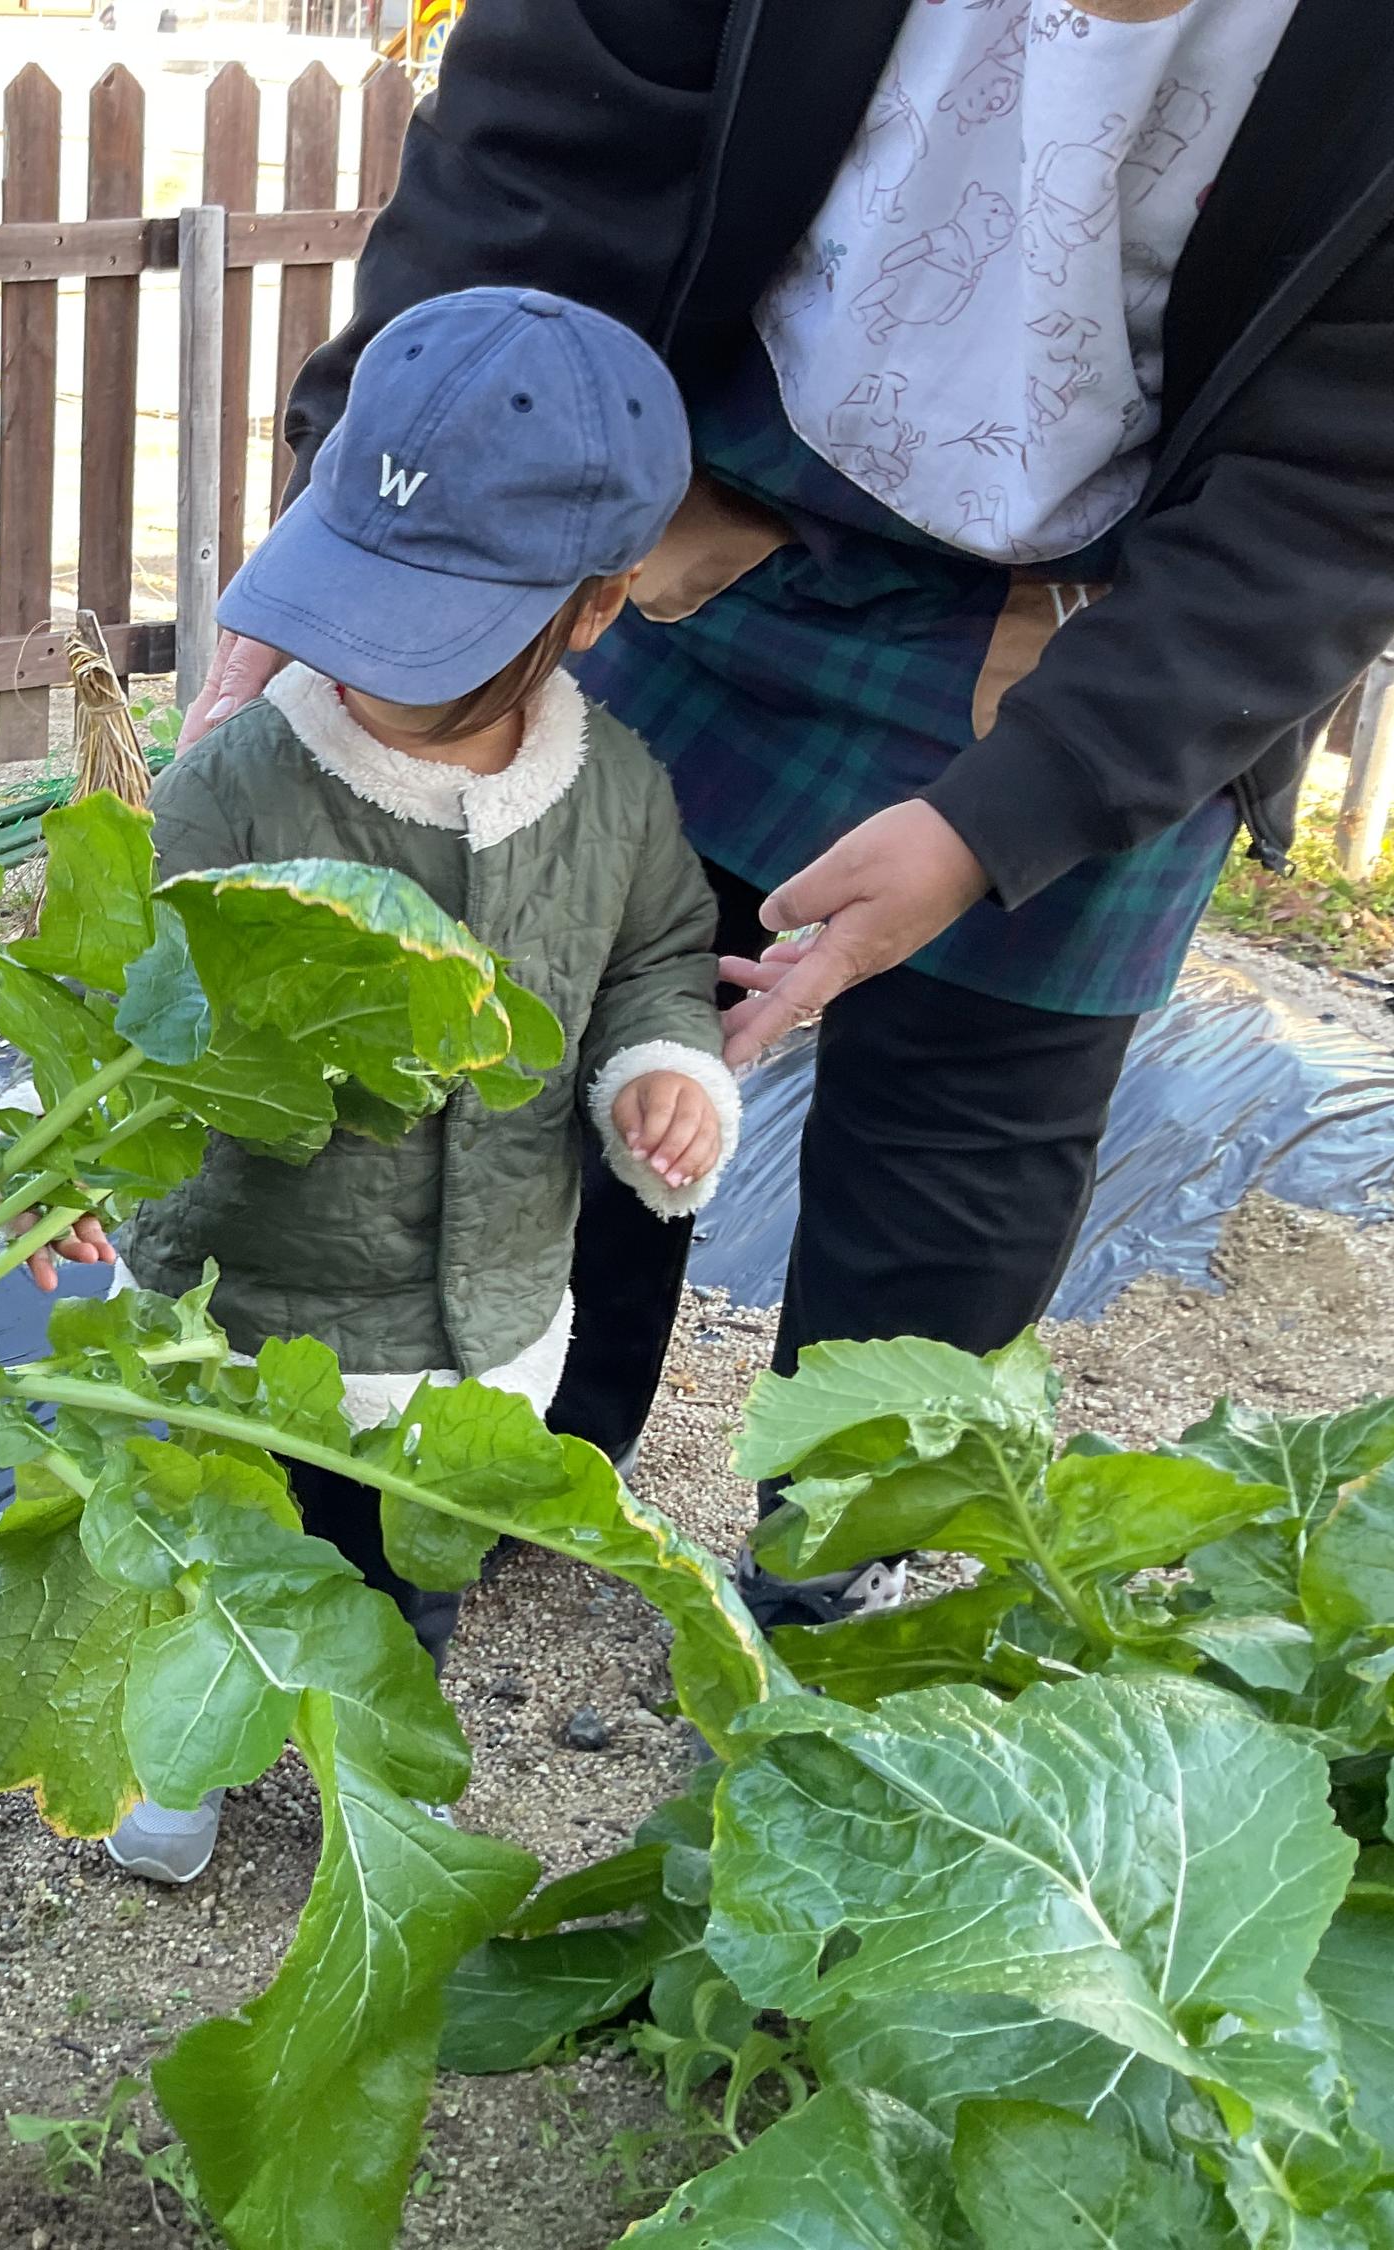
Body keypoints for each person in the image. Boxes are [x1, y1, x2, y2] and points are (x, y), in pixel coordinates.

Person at [188, 0, 1394, 1624]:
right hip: (725, 482)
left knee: (960, 1168)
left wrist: (1007, 816)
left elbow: (1342, 484)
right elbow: (544, 152)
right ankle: (512, 1461)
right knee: (531, 1022)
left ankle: (833, 1576)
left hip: (1123, 604)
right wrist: (383, 523)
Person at [106, 290, 739, 1884]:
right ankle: (181, 1755)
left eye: (428, 637)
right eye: (355, 603)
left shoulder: (616, 795)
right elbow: (131, 993)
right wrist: (100, 1152)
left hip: (479, 1314)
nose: (370, 663)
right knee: (215, 1545)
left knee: (411, 1564)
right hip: (253, 1285)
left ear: (594, 610)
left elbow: (662, 955)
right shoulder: (238, 777)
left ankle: (375, 1781)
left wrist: (663, 1071)